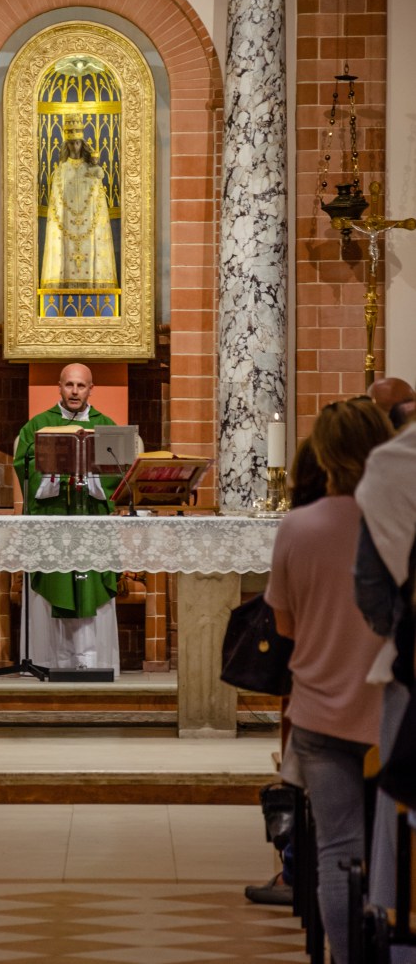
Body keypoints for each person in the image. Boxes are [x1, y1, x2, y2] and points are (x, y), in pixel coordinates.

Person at [264, 400, 393, 964]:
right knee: (397, 847)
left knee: (339, 850)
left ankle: (346, 959)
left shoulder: (299, 526)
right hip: (389, 709)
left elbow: (284, 625)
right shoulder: (397, 521)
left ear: (323, 453)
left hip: (320, 707)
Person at [244, 436, 328, 907]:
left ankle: (297, 875)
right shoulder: (383, 518)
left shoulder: (299, 526)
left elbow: (283, 623)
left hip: (319, 690)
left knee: (327, 815)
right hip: (377, 692)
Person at [354, 419, 416, 964]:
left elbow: (372, 589)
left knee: (403, 822)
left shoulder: (396, 463)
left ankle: (398, 939)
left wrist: (397, 630)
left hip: (412, 670)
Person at [13, 363, 120, 673]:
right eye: (69, 385)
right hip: (53, 522)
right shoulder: (38, 426)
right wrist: (56, 474)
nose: (75, 391)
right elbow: (25, 468)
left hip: (92, 525)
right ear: (59, 387)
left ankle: (93, 663)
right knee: (55, 584)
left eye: (81, 385)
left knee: (90, 588)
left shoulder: (106, 425)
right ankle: (51, 662)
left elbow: (119, 474)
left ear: (91, 389)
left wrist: (91, 475)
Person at [40, 115, 118, 292]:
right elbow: (55, 205)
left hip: (89, 226)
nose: (74, 147)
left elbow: (98, 200)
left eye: (77, 143)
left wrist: (95, 172)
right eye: (71, 143)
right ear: (66, 145)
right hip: (66, 226)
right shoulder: (60, 172)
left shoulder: (91, 170)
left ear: (82, 144)